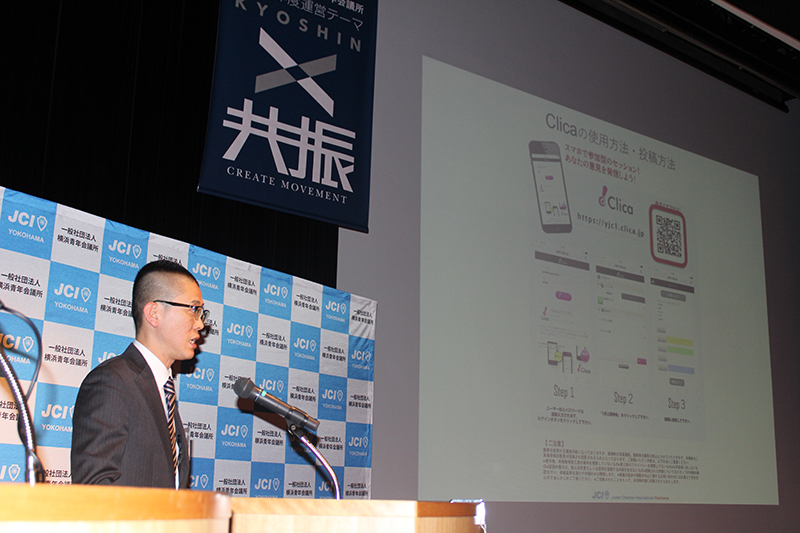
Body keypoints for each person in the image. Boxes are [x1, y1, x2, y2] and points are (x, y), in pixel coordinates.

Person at [71, 259, 207, 488]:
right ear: (154, 313)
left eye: (201, 312)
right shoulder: (112, 382)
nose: (200, 324)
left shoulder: (163, 390)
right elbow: (93, 489)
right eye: (193, 310)